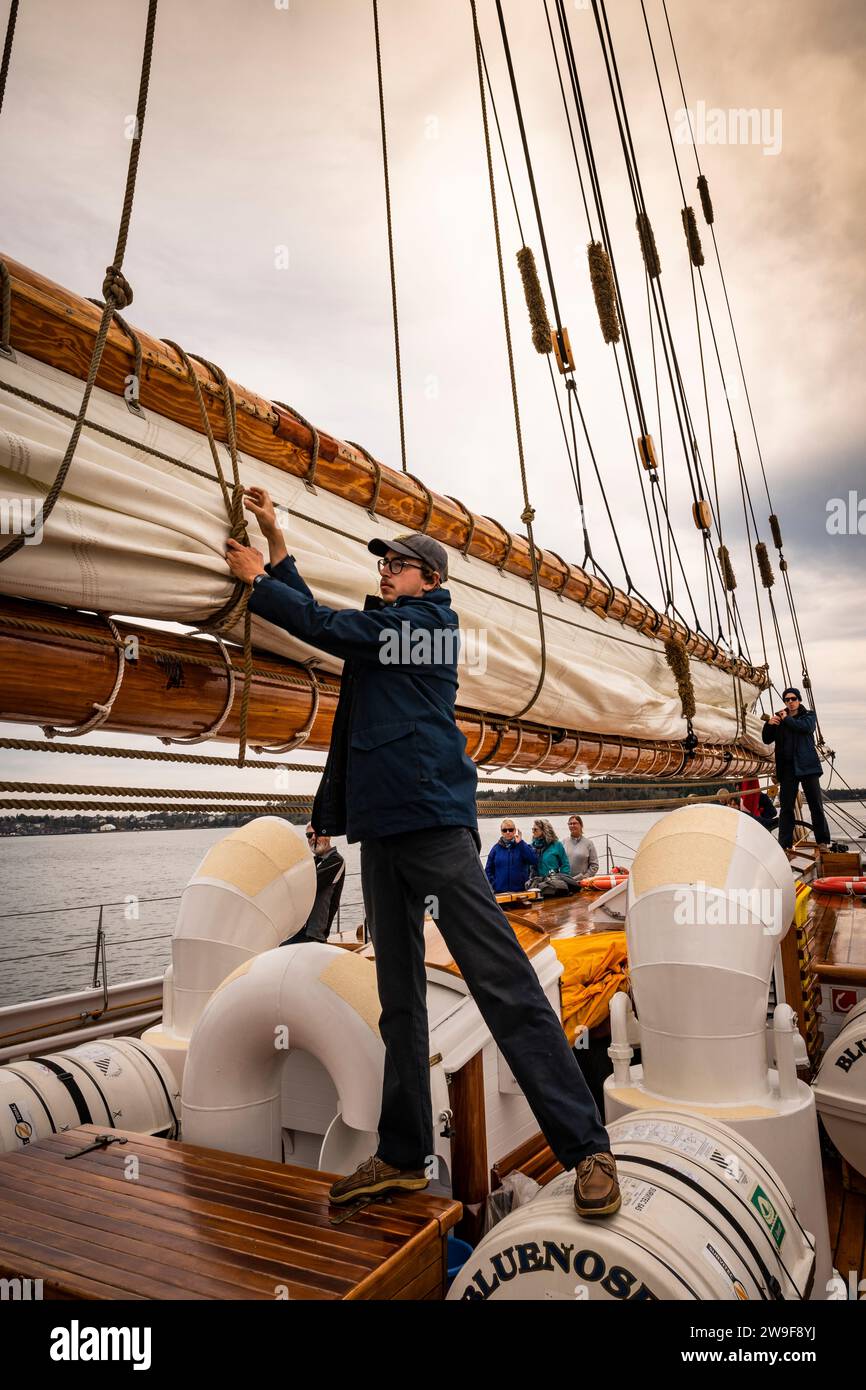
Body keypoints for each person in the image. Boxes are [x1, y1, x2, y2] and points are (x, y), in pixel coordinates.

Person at [227, 487, 620, 1219]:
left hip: (433, 828)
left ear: (430, 582)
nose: (387, 570)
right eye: (385, 563)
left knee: (501, 982)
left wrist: (254, 582)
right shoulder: (388, 628)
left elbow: (321, 625)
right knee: (399, 1004)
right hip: (383, 831)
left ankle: (587, 1149)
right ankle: (405, 1155)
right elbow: (323, 614)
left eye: (399, 564)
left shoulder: (429, 631)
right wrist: (277, 542)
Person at [761, 688, 831, 850]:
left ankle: (822, 842)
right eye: (787, 699)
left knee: (816, 806)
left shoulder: (809, 716)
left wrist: (786, 720)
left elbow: (805, 728)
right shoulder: (780, 718)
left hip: (808, 767)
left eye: (793, 699)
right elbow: (766, 739)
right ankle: (784, 845)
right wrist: (769, 725)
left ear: (799, 700)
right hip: (787, 770)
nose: (790, 702)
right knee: (786, 808)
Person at [290, 825, 345, 943]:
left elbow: (310, 884)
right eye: (309, 835)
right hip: (298, 931)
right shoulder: (312, 862)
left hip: (314, 933)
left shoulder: (336, 861)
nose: (313, 838)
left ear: (329, 836)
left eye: (318, 833)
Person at [485, 820, 537, 893]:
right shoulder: (495, 849)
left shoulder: (522, 846)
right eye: (504, 830)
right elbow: (488, 870)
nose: (508, 832)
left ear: (515, 830)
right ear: (501, 832)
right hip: (500, 892)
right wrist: (494, 884)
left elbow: (533, 860)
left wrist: (520, 843)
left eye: (510, 830)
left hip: (521, 891)